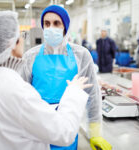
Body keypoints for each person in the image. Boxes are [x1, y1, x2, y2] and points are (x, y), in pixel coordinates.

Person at [0, 11, 93, 150]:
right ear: (12, 43)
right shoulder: (16, 89)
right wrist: (73, 92)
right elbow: (63, 132)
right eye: (21, 35)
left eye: (57, 23)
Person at [21, 5, 112, 150]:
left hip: (68, 128)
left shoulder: (81, 55)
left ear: (65, 27)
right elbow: (21, 98)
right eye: (47, 23)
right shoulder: (30, 56)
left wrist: (95, 134)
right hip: (36, 131)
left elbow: (93, 96)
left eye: (56, 23)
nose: (51, 28)